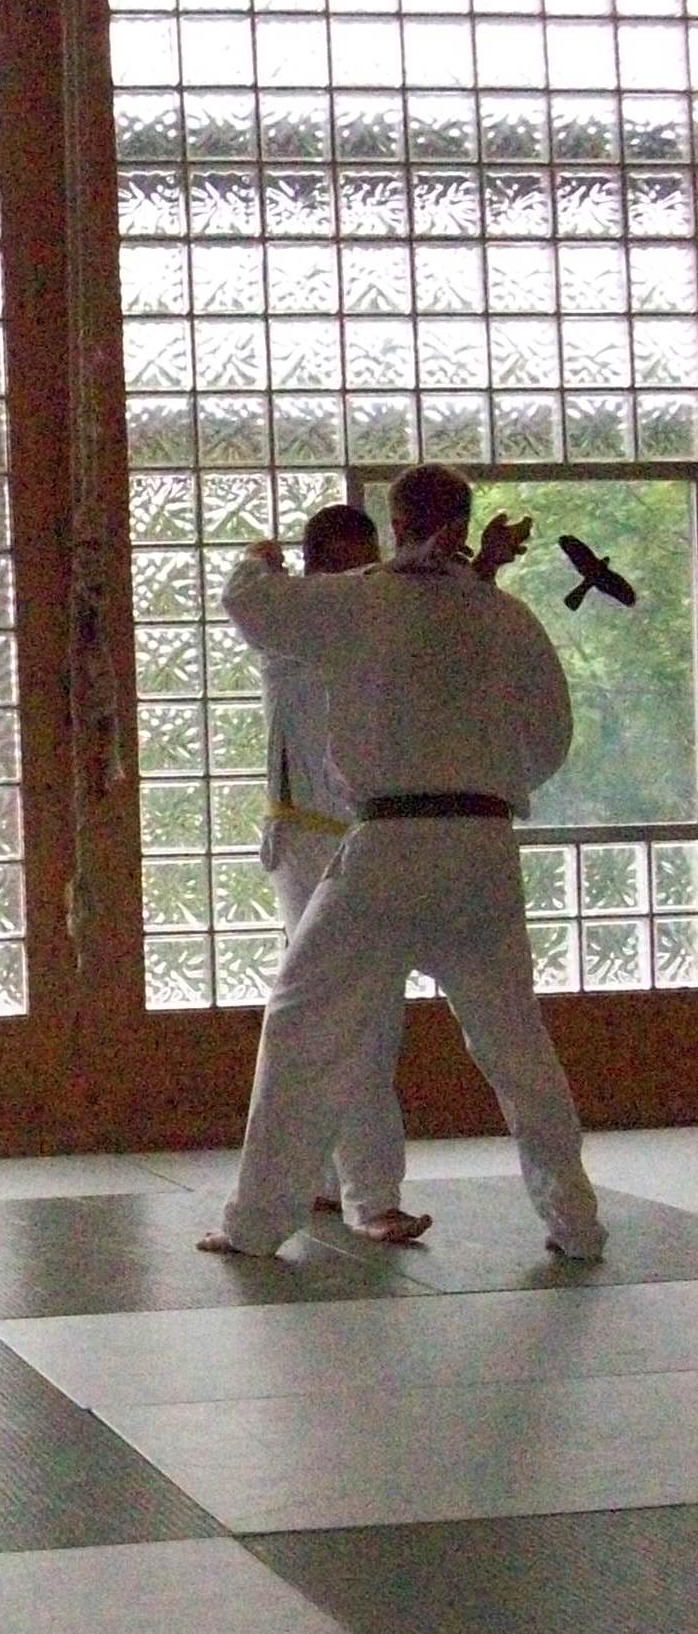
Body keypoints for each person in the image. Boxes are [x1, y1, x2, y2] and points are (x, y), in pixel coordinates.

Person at [200, 463, 605, 1264]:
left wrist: (254, 558)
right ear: (464, 520)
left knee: (302, 1023)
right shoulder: (506, 615)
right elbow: (551, 738)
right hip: (484, 847)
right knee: (517, 1047)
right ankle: (577, 1224)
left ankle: (257, 1222)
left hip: (391, 844)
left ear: (394, 522)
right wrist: (489, 782)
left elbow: (252, 605)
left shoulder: (362, 601)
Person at [255, 503, 426, 1246]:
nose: (363, 577)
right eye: (349, 565)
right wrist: (260, 565)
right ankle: (371, 1195)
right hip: (310, 841)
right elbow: (254, 596)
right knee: (355, 1011)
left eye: (371, 563)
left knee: (349, 1012)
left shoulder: (378, 625)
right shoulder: (292, 627)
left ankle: (330, 1181)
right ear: (317, 567)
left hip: (369, 838)